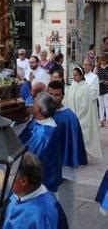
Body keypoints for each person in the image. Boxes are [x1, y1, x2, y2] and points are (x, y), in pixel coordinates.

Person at [48, 81, 88, 227]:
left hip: (64, 172)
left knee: (64, 206)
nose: (52, 98)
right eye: (50, 94)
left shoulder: (69, 118)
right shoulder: (42, 113)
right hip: (45, 171)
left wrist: (65, 172)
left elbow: (71, 147)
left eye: (56, 95)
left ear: (63, 96)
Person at [2, 152, 68, 229]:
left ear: (23, 181)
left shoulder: (46, 216)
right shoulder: (16, 196)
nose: (4, 177)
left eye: (9, 174)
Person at [19, 92, 62, 193]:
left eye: (34, 103)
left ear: (38, 109)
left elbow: (30, 155)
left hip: (41, 181)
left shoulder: (45, 133)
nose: (31, 105)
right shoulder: (39, 122)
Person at [66, 66, 102, 160]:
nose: (74, 77)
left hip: (81, 117)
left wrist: (76, 118)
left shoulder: (85, 87)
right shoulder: (73, 85)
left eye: (76, 75)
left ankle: (81, 157)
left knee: (81, 137)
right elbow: (68, 100)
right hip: (72, 115)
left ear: (81, 76)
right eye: (73, 75)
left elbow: (85, 107)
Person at [83, 58, 100, 129]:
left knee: (91, 126)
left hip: (90, 105)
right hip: (81, 105)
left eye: (86, 65)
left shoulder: (94, 77)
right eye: (84, 64)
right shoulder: (80, 76)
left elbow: (95, 93)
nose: (84, 66)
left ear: (90, 66)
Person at [96, 57, 108, 127]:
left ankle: (107, 121)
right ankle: (101, 120)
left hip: (106, 90)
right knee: (101, 106)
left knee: (107, 106)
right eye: (102, 61)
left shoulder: (107, 69)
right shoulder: (97, 69)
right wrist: (102, 81)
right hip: (99, 90)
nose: (103, 62)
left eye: (104, 61)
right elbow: (96, 79)